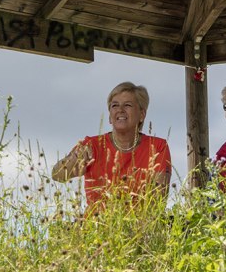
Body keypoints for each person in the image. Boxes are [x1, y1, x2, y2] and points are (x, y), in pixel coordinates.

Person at [51, 81, 171, 212]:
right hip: (97, 223)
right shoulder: (92, 145)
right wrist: (73, 161)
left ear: (142, 115)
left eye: (127, 105)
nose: (120, 110)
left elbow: (157, 201)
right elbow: (56, 174)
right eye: (115, 105)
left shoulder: (157, 147)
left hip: (141, 223)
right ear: (109, 116)